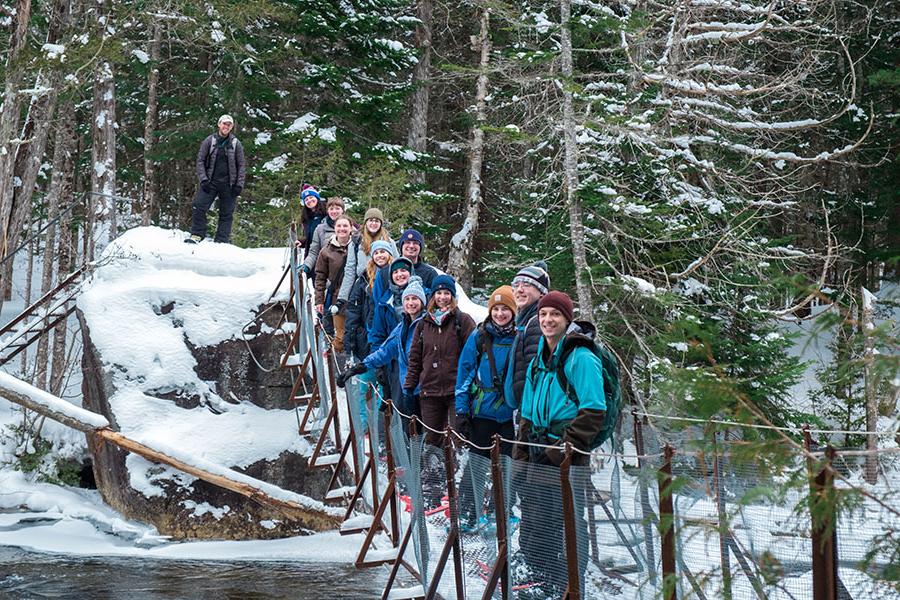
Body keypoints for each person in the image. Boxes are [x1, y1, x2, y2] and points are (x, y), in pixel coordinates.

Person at [516, 291, 606, 597]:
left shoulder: (580, 357)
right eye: (543, 315)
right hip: (539, 447)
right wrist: (521, 453)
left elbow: (594, 409)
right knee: (535, 513)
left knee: (564, 518)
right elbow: (527, 411)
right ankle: (538, 574)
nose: (547, 320)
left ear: (567, 319)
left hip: (565, 453)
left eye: (554, 315)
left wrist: (564, 449)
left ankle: (567, 582)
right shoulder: (539, 359)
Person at [454, 285, 517, 529]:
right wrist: (461, 411)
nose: (500, 314)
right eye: (496, 309)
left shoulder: (519, 338)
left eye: (505, 309)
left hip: (508, 414)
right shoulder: (479, 337)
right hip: (481, 412)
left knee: (506, 466)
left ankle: (501, 512)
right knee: (476, 465)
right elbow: (464, 374)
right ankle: (468, 513)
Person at [339, 276, 427, 424]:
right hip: (408, 389)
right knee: (410, 431)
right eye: (407, 299)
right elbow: (385, 351)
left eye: (415, 299)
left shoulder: (427, 325)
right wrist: (360, 367)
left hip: (426, 389)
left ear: (422, 302)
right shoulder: (403, 327)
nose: (411, 303)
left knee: (425, 433)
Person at [404, 274, 476, 448]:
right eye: (438, 293)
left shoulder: (462, 321)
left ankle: (456, 474)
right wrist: (409, 387)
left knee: (457, 439)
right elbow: (415, 358)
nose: (442, 297)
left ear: (452, 296)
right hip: (430, 391)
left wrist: (470, 385)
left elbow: (474, 355)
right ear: (432, 296)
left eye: (446, 293)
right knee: (432, 441)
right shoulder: (424, 324)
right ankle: (434, 474)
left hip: (456, 391)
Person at [187, 114, 246, 244]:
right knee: (199, 206)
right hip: (210, 182)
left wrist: (239, 185)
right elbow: (200, 160)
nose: (226, 126)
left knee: (226, 214)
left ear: (231, 127)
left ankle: (221, 240)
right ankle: (197, 234)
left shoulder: (236, 144)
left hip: (229, 184)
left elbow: (241, 165)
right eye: (224, 124)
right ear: (219, 124)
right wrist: (203, 179)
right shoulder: (210, 141)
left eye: (229, 125)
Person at [504, 262, 551, 411]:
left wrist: (527, 411)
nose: (520, 289)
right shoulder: (525, 320)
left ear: (542, 293)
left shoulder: (537, 322)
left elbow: (535, 374)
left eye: (527, 284)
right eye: (516, 285)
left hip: (532, 408)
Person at [367, 256, 415, 403]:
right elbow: (378, 335)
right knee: (401, 407)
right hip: (395, 363)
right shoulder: (385, 303)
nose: (400, 274)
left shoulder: (424, 297)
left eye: (403, 271)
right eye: (395, 272)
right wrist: (379, 366)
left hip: (422, 363)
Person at [344, 239, 397, 364]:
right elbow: (353, 309)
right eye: (376, 253)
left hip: (392, 328)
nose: (379, 256)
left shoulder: (398, 274)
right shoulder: (364, 279)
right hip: (370, 330)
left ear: (389, 254)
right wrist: (351, 340)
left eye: (383, 252)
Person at [336, 207, 392, 308]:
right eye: (371, 220)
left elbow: (396, 265)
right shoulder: (356, 242)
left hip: (385, 288)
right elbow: (350, 270)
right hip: (363, 288)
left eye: (377, 221)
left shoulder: (388, 242)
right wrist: (342, 297)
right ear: (366, 222)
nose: (373, 223)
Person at [314, 215, 353, 352]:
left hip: (357, 297)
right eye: (339, 226)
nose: (342, 229)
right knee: (340, 336)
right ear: (334, 229)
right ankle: (336, 368)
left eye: (345, 226)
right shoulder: (326, 251)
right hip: (338, 298)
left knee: (356, 335)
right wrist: (319, 300)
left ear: (351, 228)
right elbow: (320, 277)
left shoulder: (359, 247)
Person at [303, 197, 348, 275]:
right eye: (331, 209)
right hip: (325, 274)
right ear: (327, 211)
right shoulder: (320, 229)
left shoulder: (351, 228)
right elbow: (314, 251)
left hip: (346, 274)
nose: (334, 211)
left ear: (343, 210)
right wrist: (307, 265)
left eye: (337, 208)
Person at [298, 184, 325, 257]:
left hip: (324, 253)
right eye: (306, 199)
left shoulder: (327, 212)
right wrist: (303, 242)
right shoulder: (306, 217)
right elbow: (311, 237)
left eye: (311, 197)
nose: (309, 200)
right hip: (311, 255)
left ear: (316, 197)